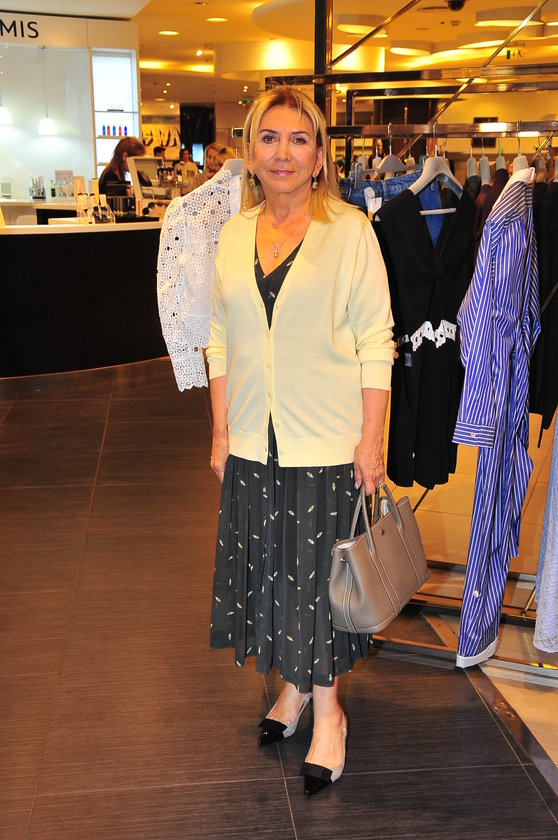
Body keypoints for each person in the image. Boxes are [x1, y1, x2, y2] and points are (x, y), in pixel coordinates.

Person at [206, 87, 394, 797]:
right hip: (254, 440)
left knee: (318, 583)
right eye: (269, 138)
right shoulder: (233, 234)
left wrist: (371, 440)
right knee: (271, 572)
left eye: (298, 139)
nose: (282, 152)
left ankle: (329, 712)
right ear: (251, 153)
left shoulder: (350, 231)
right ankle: (292, 687)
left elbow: (376, 340)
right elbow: (220, 337)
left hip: (327, 442)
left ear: (319, 158)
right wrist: (221, 429)